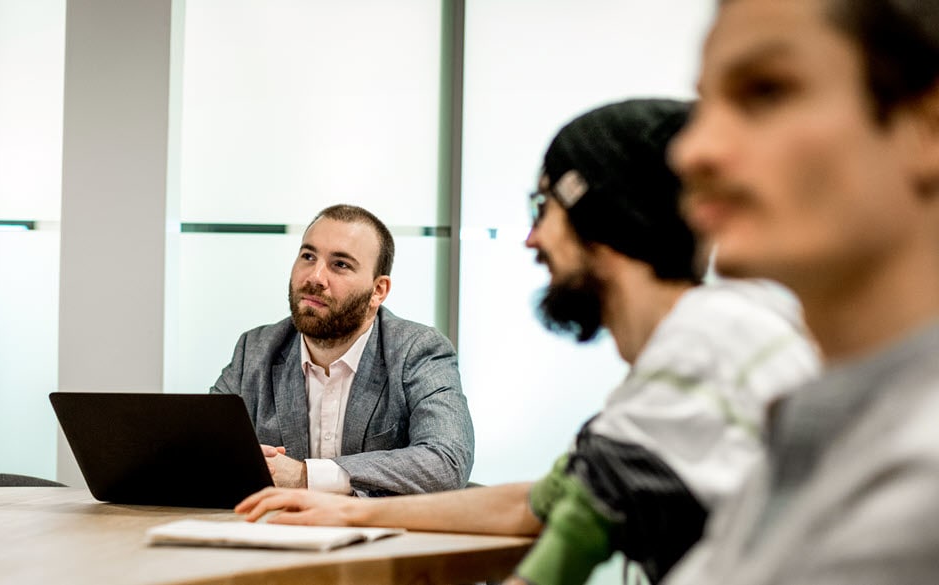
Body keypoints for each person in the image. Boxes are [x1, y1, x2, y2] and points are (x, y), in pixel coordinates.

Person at [235, 99, 820, 584]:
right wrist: (339, 511)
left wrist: (323, 493)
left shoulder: (702, 351)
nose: (532, 239)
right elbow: (541, 502)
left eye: (544, 207)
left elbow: (563, 539)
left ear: (604, 216)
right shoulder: (714, 340)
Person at [662, 0, 939, 584]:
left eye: (765, 92)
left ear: (928, 125)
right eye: (705, 105)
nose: (692, 150)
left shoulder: (923, 472)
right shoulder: (820, 421)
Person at [210, 204, 475, 496]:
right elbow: (201, 447)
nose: (315, 277)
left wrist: (304, 475)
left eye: (341, 265)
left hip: (379, 537)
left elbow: (446, 461)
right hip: (273, 532)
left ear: (378, 291)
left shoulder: (417, 351)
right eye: (308, 257)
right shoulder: (255, 350)